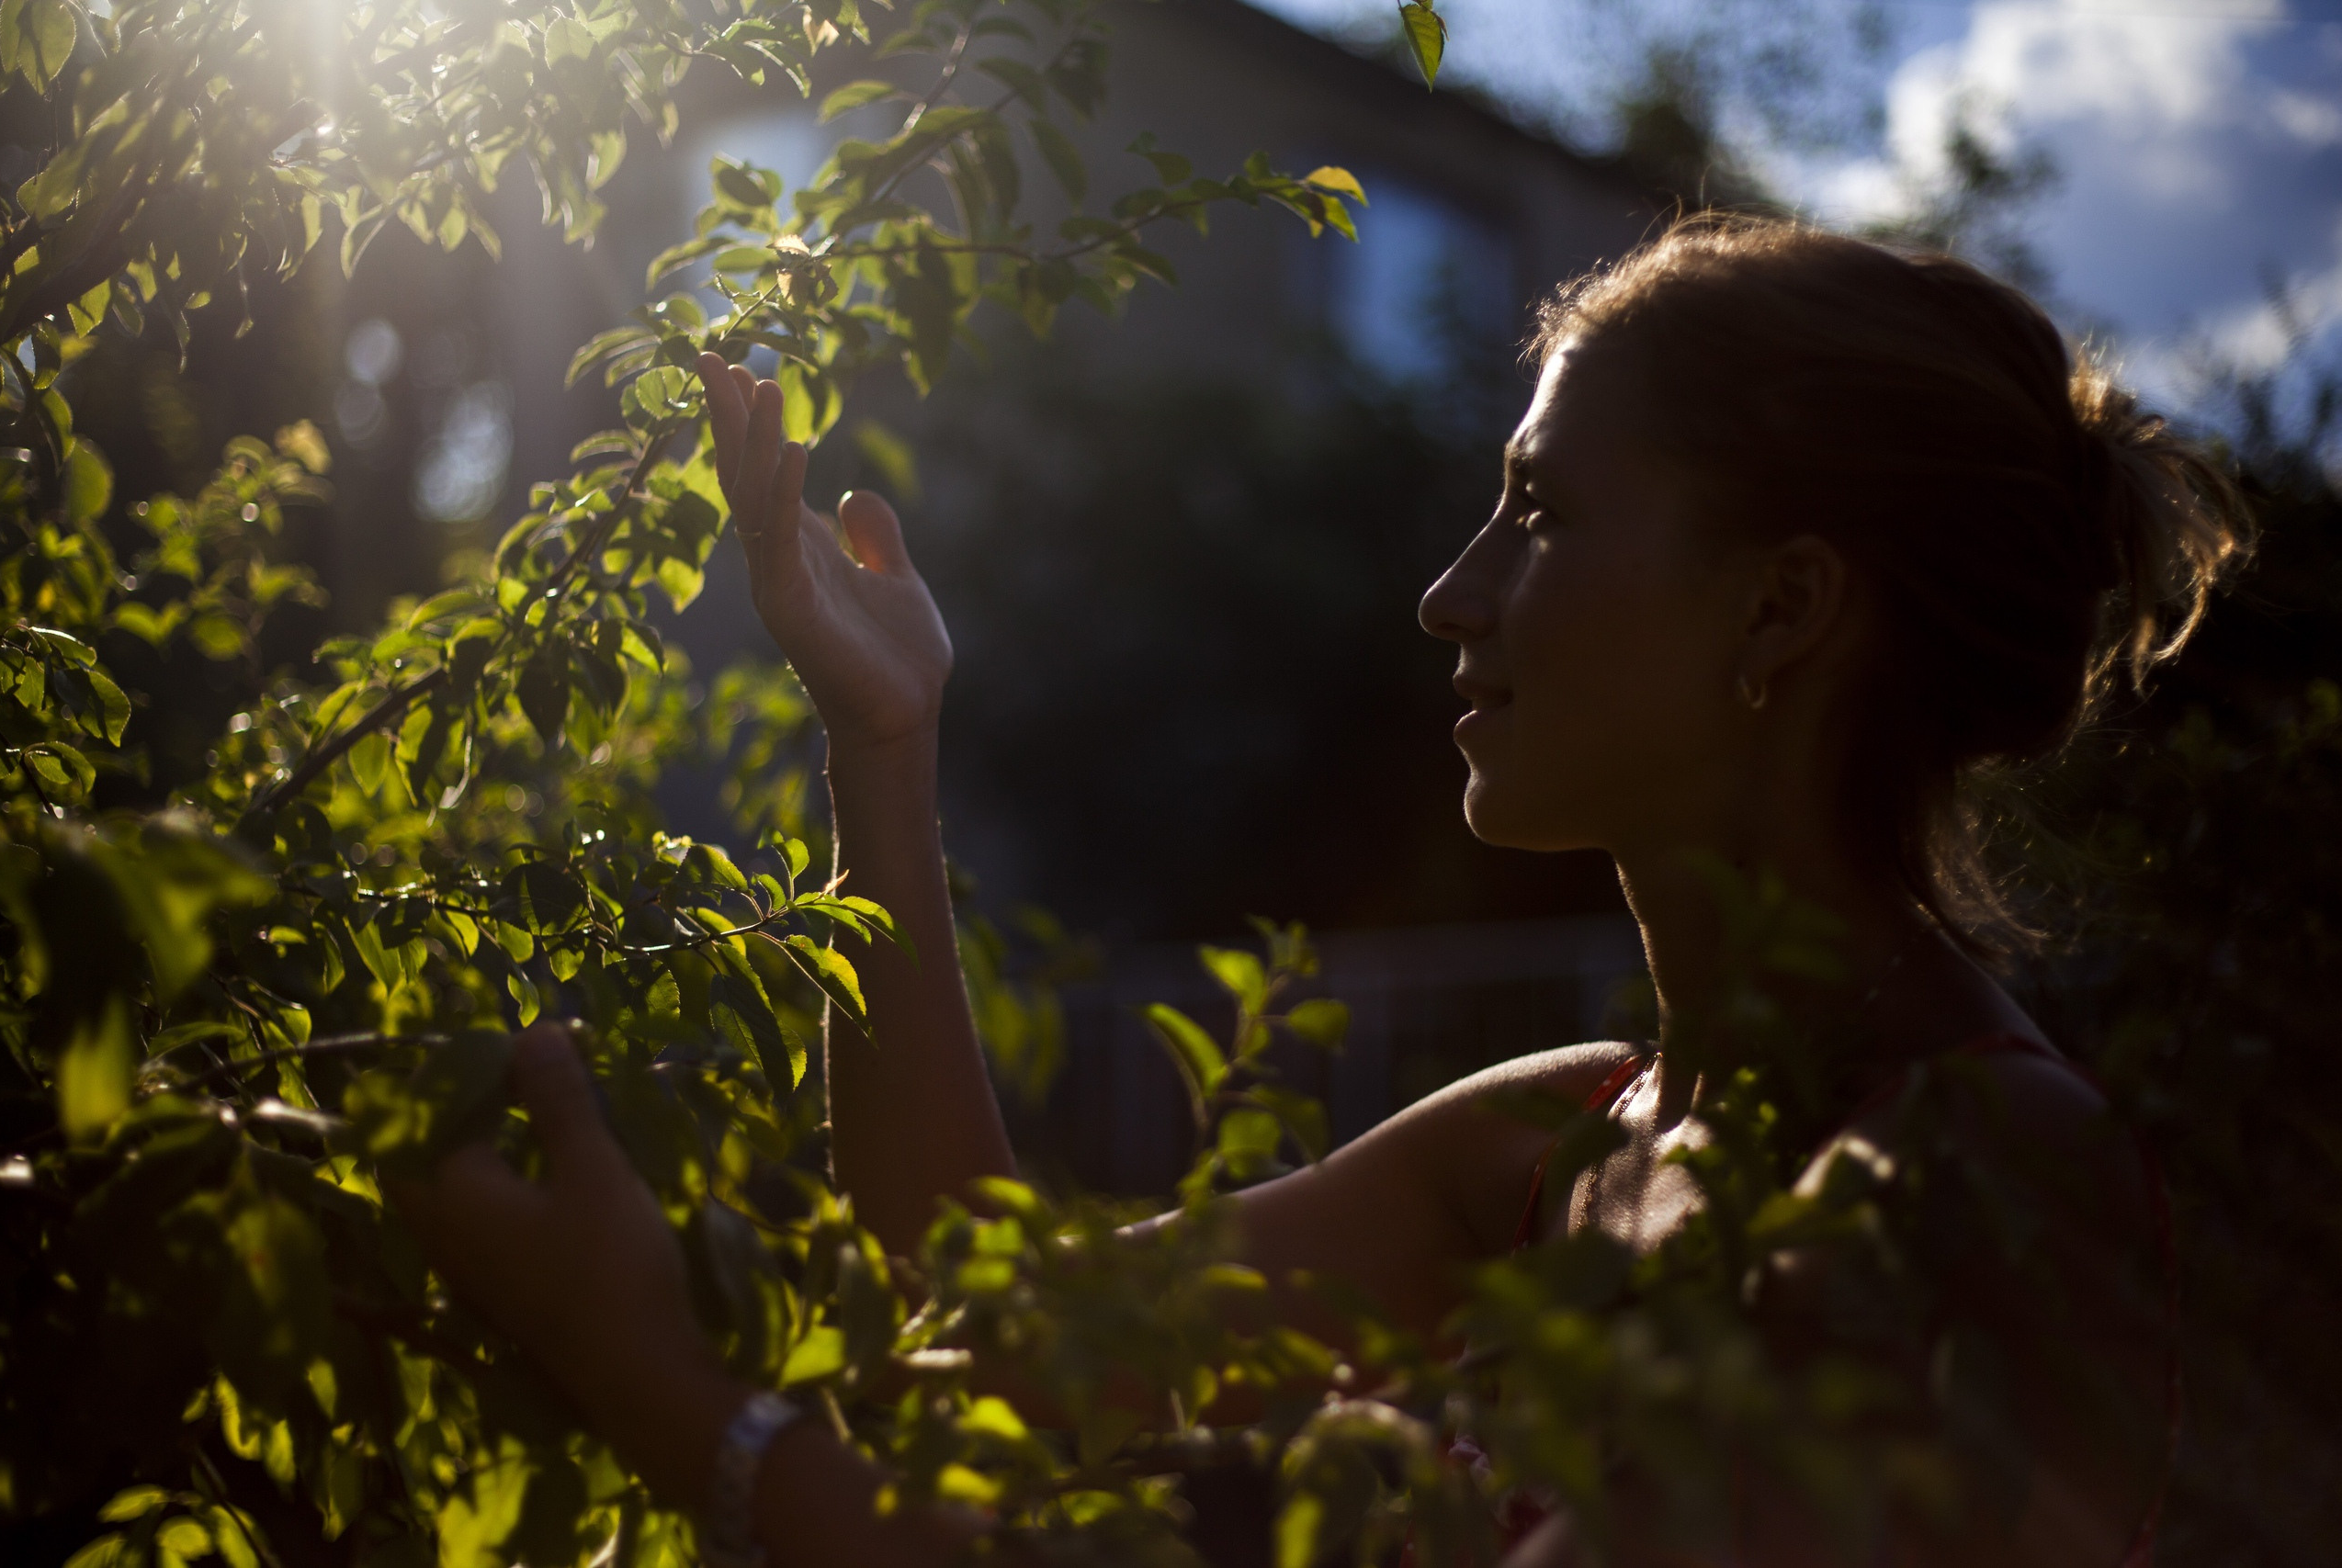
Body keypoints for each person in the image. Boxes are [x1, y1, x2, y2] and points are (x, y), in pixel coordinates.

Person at [392, 215, 2249, 1566]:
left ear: (1778, 606)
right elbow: (1009, 1326)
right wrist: (881, 741)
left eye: (1538, 512)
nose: (1448, 593)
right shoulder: (1560, 1140)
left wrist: (642, 1370)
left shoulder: (1966, 1183)